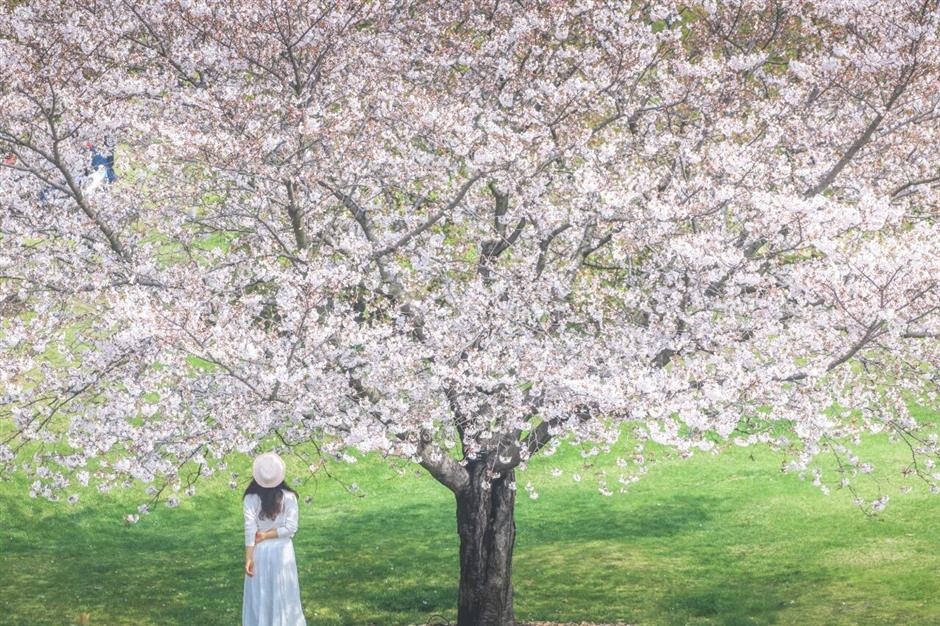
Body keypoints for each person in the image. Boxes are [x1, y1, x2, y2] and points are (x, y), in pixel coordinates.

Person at [242, 452, 306, 626]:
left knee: (261, 594)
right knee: (284, 592)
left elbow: (250, 529)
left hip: (261, 550)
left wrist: (249, 557)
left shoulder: (250, 498)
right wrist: (269, 535)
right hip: (283, 550)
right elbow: (291, 528)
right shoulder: (289, 497)